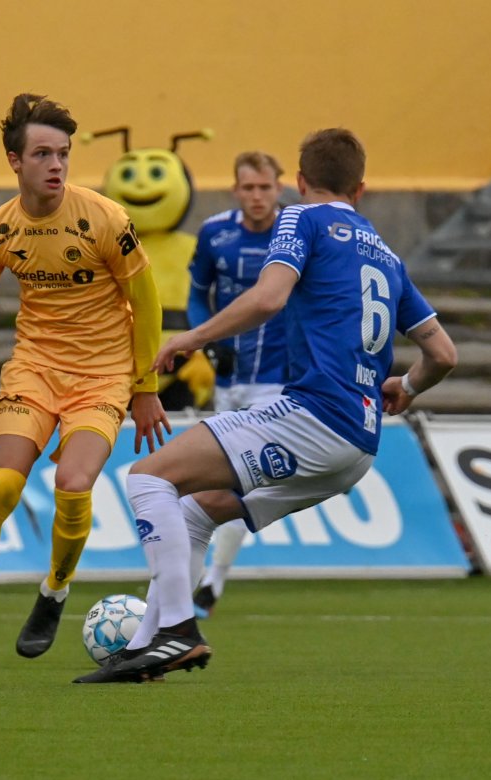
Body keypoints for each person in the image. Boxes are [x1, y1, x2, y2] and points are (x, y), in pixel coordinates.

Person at [73, 127, 458, 683]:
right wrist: (409, 386)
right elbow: (443, 353)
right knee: (198, 511)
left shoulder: (301, 218)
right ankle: (145, 648)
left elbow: (269, 296)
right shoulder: (389, 257)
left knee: (147, 479)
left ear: (299, 182)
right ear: (362, 189)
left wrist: (190, 338)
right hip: (360, 447)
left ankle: (178, 630)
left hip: (315, 415)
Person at [0, 94, 169, 669]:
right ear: (15, 161)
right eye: (42, 154)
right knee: (3, 486)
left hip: (102, 374)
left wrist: (145, 386)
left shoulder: (106, 218)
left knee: (73, 485)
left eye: (63, 154)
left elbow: (146, 302)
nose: (56, 165)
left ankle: (54, 592)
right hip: (33, 369)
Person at [186, 151, 288, 617]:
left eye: (264, 187)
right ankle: (191, 586)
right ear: (235, 190)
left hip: (279, 381)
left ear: (279, 188)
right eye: (248, 188)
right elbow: (195, 294)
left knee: (241, 481)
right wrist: (209, 342)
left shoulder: (297, 234)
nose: (257, 196)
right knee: (213, 483)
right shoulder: (215, 233)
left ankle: (213, 581)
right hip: (229, 378)